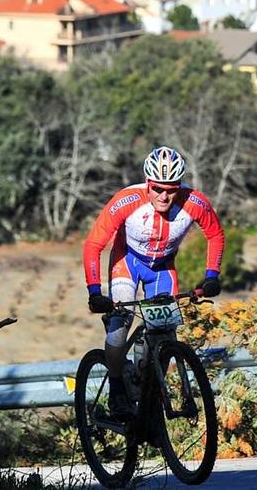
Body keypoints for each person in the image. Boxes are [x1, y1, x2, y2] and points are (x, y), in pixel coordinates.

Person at [81, 146, 225, 415]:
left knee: (164, 336)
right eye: (157, 189)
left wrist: (211, 275)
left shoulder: (195, 202)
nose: (164, 196)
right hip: (127, 262)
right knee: (119, 327)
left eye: (171, 189)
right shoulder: (126, 200)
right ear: (148, 183)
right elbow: (93, 245)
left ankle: (146, 388)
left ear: (179, 186)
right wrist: (94, 291)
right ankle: (117, 390)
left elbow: (215, 234)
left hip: (162, 268)